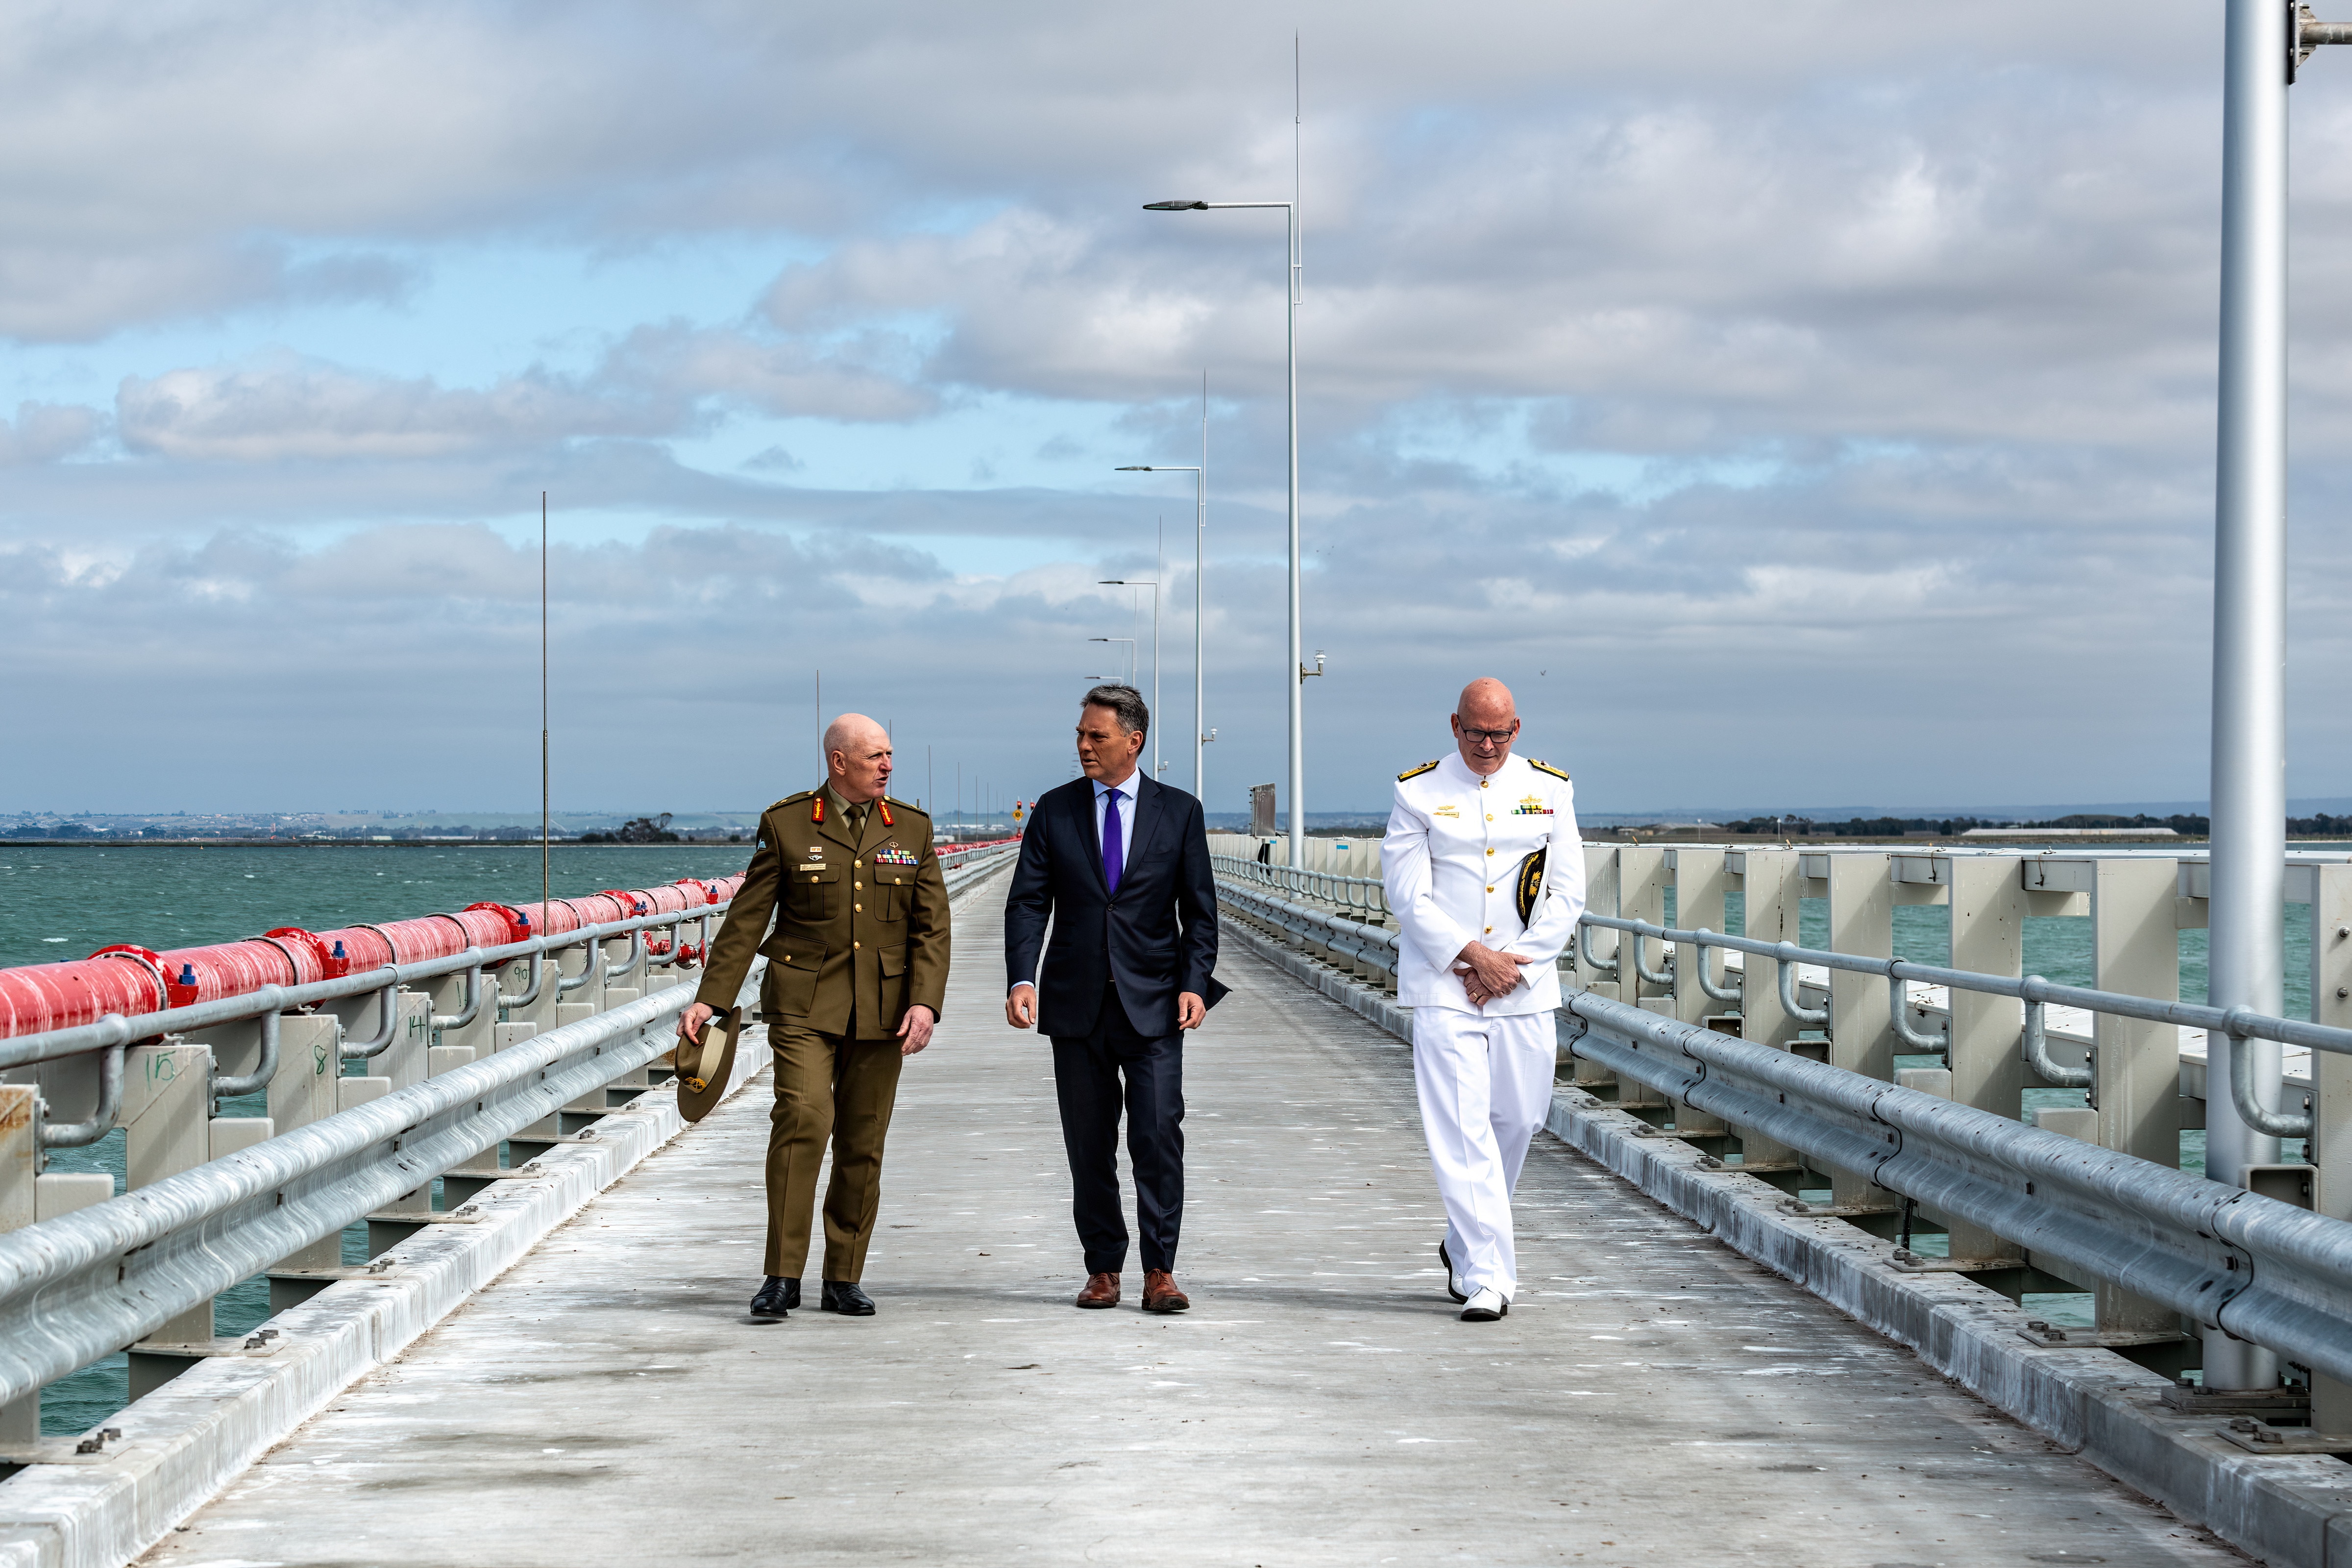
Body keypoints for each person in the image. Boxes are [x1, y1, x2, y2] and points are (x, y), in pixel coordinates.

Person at [677, 713, 949, 1321]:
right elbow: (748, 918)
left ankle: (844, 1275)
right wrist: (711, 998)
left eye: (889, 754)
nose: (888, 765)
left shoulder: (912, 827)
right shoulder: (788, 823)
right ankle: (782, 1274)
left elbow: (932, 927)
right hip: (805, 1002)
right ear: (839, 761)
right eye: (876, 755)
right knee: (803, 1117)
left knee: (863, 1139)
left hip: (884, 1009)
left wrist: (926, 1001)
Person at [1004, 684, 1226, 1313]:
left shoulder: (1179, 811)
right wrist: (1022, 977)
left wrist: (1194, 981)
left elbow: (1200, 913)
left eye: (1096, 736)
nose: (1083, 746)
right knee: (1089, 1143)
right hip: (1076, 1006)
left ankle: (1161, 1269)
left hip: (1154, 1003)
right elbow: (1027, 903)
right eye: (1080, 734)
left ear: (1134, 740)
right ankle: (1103, 1267)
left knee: (1158, 1136)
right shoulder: (1054, 810)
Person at [1381, 677, 1586, 1323]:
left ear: (1517, 729)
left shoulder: (1550, 790)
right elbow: (1408, 895)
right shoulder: (1417, 792)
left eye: (1499, 733)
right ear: (1454, 726)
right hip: (1447, 985)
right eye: (1476, 732)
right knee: (1461, 1130)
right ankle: (1487, 1279)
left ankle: (1464, 1240)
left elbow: (1567, 893)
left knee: (1518, 1121)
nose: (1488, 744)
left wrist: (1510, 967)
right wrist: (1475, 958)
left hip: (1522, 985)